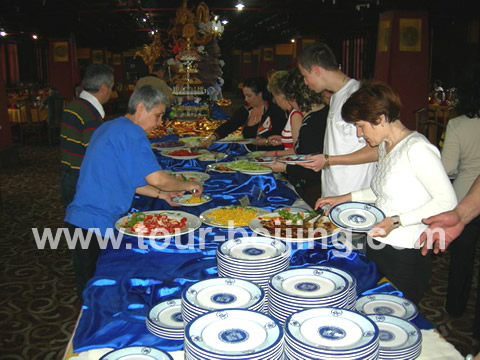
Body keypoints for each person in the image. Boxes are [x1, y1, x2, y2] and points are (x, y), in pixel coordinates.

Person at [315, 81, 457, 304]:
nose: (359, 134)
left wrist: (396, 221)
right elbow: (379, 190)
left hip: (406, 252)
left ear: (380, 118)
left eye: (361, 126)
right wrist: (342, 198)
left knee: (396, 316)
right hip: (380, 242)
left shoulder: (417, 148)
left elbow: (447, 202)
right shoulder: (385, 145)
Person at [65, 85, 203, 296]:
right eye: (158, 115)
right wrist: (188, 185)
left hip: (81, 220)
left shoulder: (110, 126)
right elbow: (157, 178)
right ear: (140, 107)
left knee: (90, 287)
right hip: (95, 222)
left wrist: (160, 195)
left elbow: (126, 177)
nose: (159, 123)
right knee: (98, 294)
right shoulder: (132, 133)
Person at [296, 41, 377, 197]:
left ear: (316, 70)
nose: (305, 82)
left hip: (354, 194)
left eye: (305, 76)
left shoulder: (358, 95)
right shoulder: (335, 98)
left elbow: (375, 151)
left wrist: (328, 160)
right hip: (334, 192)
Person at [432, 80, 480, 318]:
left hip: (464, 197)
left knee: (462, 258)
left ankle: (455, 307)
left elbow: (447, 167)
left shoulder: (459, 124)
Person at [265, 68, 329, 207]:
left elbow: (313, 168)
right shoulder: (320, 114)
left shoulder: (313, 122)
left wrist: (284, 168)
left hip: (316, 189)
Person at [60, 64, 114, 207]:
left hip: (68, 175)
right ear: (103, 87)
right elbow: (96, 155)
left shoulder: (73, 105)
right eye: (111, 87)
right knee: (87, 226)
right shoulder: (90, 115)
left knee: (74, 223)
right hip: (81, 180)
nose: (111, 92)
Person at [200, 76, 287, 150]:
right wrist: (212, 138)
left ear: (260, 94)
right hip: (248, 154)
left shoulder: (275, 112)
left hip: (270, 156)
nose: (246, 99)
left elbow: (281, 137)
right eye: (244, 96)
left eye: (249, 96)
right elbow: (230, 124)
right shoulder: (246, 109)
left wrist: (266, 142)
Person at [263, 70, 303, 156]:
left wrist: (274, 153)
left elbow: (298, 150)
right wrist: (283, 140)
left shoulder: (295, 115)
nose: (274, 100)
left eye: (274, 96)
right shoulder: (292, 113)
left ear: (281, 95)